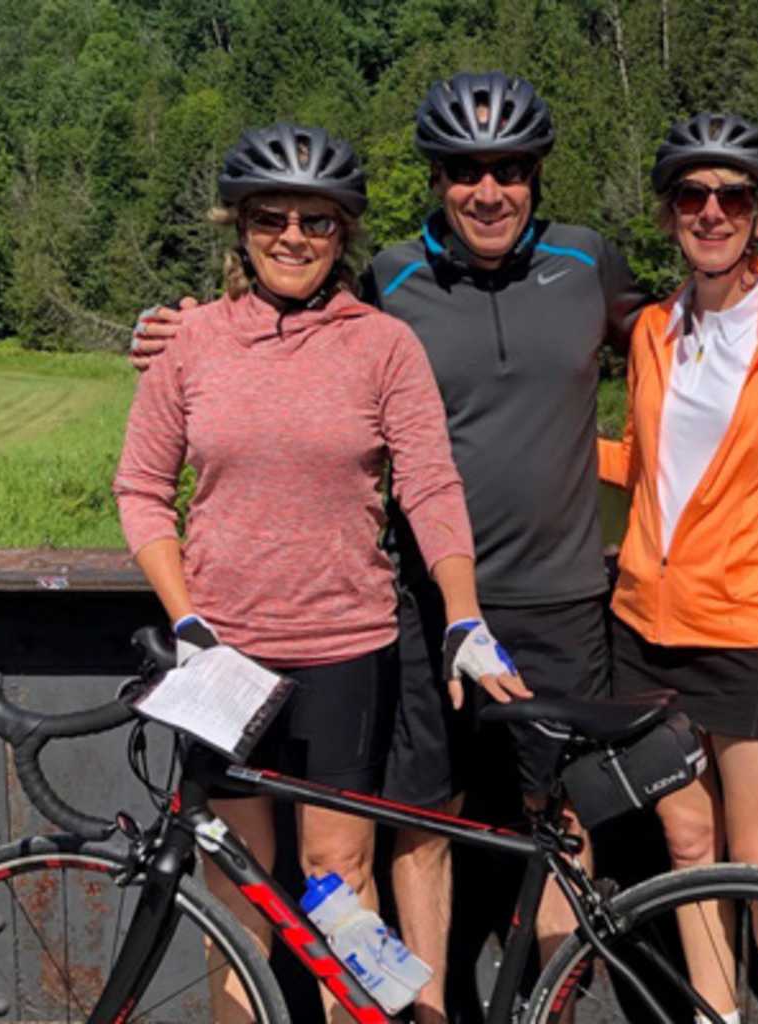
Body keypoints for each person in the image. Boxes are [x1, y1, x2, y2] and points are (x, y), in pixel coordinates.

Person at [112, 123, 525, 1023]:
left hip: (346, 651)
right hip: (223, 658)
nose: (292, 237)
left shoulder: (383, 345)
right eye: (271, 218)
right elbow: (141, 489)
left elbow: (430, 484)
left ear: (343, 235)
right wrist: (185, 618)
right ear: (241, 228)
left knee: (339, 878)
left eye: (317, 221)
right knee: (238, 894)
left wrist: (463, 613)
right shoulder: (193, 342)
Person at [597, 112, 758, 1023]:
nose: (711, 212)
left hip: (750, 631)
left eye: (732, 197)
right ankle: (717, 1015)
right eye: (691, 196)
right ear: (669, 214)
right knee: (687, 842)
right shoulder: (653, 333)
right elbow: (649, 466)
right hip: (646, 627)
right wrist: (539, 452)